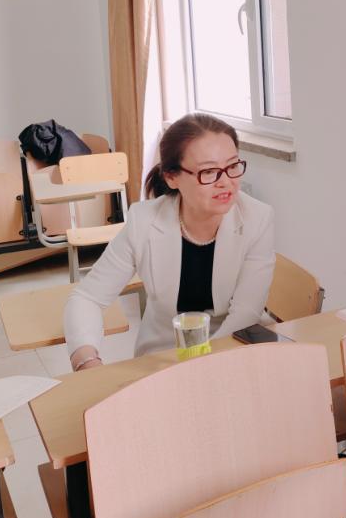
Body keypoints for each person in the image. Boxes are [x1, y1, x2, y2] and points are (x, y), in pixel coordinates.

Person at [64, 113, 275, 369]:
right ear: (172, 177)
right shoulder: (143, 221)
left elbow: (246, 313)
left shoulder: (257, 218)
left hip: (235, 344)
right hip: (165, 351)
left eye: (232, 166)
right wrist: (86, 360)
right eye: (209, 172)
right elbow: (88, 298)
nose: (226, 183)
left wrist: (202, 365)